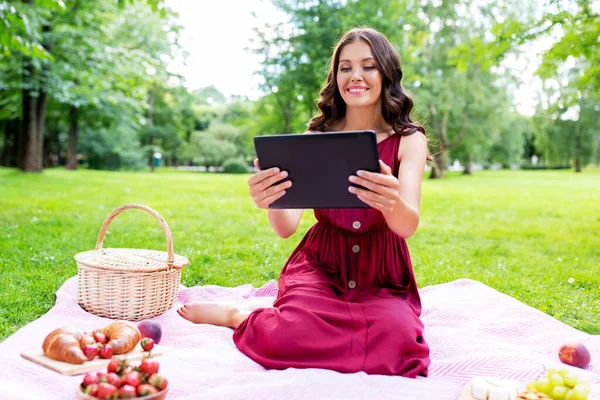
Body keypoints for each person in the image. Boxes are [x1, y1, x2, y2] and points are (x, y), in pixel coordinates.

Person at [178, 27, 431, 378]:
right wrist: (273, 198)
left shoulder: (409, 140)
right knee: (287, 335)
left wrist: (389, 201)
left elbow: (407, 225)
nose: (355, 75)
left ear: (386, 73)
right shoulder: (315, 137)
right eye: (345, 67)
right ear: (335, 76)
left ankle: (273, 320)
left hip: (382, 273)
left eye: (368, 66)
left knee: (400, 345)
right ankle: (243, 316)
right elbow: (286, 228)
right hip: (321, 265)